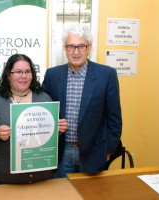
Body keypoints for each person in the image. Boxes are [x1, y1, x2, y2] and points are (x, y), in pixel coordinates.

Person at [42, 24, 122, 178]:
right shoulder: (52, 75)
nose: (76, 52)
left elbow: (114, 119)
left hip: (94, 153)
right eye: (71, 46)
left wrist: (108, 150)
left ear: (89, 47)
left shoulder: (107, 75)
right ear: (65, 48)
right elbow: (45, 111)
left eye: (81, 46)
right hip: (61, 153)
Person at [0, 54, 68, 185]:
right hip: (4, 179)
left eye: (27, 71)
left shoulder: (44, 98)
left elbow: (50, 135)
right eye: (18, 72)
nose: (23, 76)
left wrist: (59, 129)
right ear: (8, 75)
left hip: (41, 177)